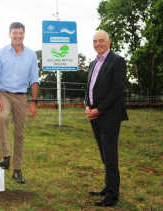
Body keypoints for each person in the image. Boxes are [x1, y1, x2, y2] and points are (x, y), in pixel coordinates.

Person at [0, 22, 39, 184]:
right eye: (15, 33)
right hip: (3, 93)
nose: (18, 36)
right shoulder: (1, 53)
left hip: (21, 96)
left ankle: (17, 169)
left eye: (20, 33)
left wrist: (33, 102)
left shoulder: (31, 55)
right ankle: (6, 156)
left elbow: (34, 80)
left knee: (19, 133)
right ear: (9, 34)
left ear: (24, 34)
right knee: (2, 118)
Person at [85, 30, 128, 206]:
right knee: (104, 153)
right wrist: (88, 105)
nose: (98, 44)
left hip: (109, 116)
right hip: (94, 116)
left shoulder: (117, 61)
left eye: (101, 40)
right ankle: (107, 187)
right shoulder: (93, 63)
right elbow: (89, 87)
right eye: (95, 41)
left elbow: (118, 90)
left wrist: (99, 110)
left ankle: (112, 195)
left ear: (109, 41)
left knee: (110, 155)